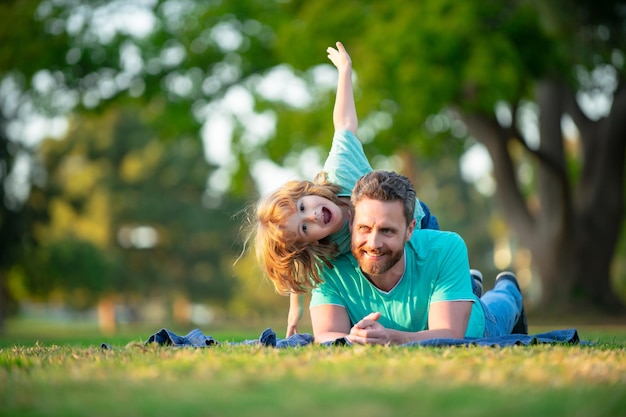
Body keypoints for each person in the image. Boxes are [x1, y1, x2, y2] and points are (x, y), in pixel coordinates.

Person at [251, 42, 442, 338]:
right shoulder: (333, 249)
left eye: (303, 207)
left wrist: (344, 72)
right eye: (304, 228)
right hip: (386, 258)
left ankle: (464, 285)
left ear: (306, 192)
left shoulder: (340, 170)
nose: (313, 217)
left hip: (420, 222)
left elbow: (344, 124)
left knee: (434, 282)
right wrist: (295, 307)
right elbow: (297, 267)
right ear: (308, 243)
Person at [309, 170, 528, 344]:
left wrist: (391, 338)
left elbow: (449, 334)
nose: (374, 243)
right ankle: (464, 289)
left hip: (476, 329)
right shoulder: (330, 266)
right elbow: (327, 334)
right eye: (364, 228)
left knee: (503, 304)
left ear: (410, 229)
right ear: (351, 223)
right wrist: (353, 339)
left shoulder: (446, 247)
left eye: (387, 231)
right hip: (449, 305)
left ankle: (508, 288)